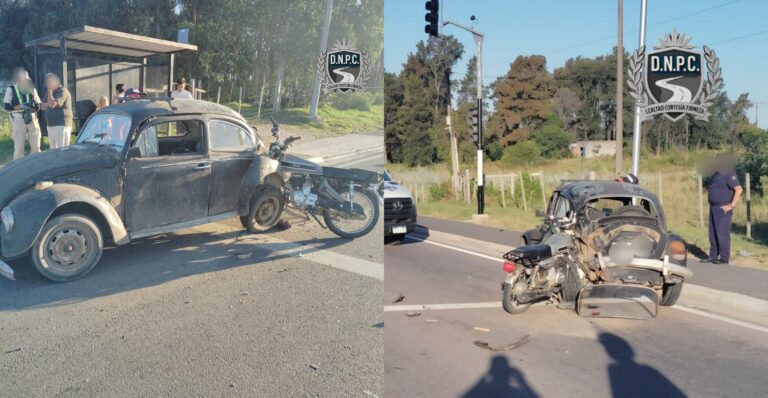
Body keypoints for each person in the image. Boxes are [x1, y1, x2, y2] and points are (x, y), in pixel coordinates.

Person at [703, 153, 743, 265]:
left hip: (723, 208)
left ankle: (724, 258)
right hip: (713, 206)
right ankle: (713, 256)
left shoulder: (729, 173)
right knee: (713, 233)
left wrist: (731, 205)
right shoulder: (716, 174)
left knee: (722, 233)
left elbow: (739, 189)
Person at [3, 68, 42, 160]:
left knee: (36, 144)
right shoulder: (11, 89)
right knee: (19, 146)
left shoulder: (32, 89)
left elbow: (38, 106)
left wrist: (32, 108)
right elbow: (6, 106)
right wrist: (18, 107)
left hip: (31, 117)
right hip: (18, 118)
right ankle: (18, 163)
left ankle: (37, 161)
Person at [40, 73, 73, 150]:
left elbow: (52, 105)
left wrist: (49, 90)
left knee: (62, 150)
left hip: (61, 125)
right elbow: (43, 106)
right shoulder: (51, 92)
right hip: (51, 125)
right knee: (53, 150)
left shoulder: (63, 91)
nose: (46, 84)